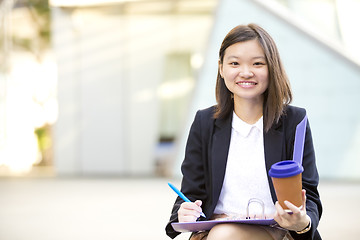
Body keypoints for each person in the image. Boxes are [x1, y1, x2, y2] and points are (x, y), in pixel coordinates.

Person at [165, 23, 322, 240]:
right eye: (235, 63)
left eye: (257, 63)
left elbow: (309, 194)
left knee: (224, 235)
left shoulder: (294, 121)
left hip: (278, 231)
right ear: (221, 68)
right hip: (215, 229)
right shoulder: (205, 122)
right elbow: (191, 193)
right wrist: (185, 212)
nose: (246, 72)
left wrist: (303, 223)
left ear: (272, 67)